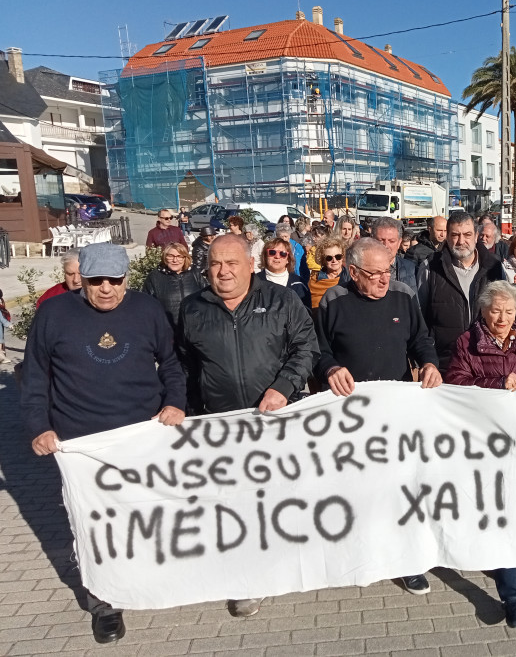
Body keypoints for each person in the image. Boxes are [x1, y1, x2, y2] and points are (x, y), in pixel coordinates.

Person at [21, 243, 186, 644]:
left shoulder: (147, 310)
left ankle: (149, 581)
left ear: (127, 279)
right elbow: (35, 376)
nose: (107, 289)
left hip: (141, 436)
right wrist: (38, 427)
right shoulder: (53, 313)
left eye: (116, 280)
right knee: (93, 525)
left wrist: (175, 403)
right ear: (82, 280)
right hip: (83, 443)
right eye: (97, 281)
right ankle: (104, 603)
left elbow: (170, 364)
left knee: (145, 514)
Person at [179, 234, 319, 617]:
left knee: (277, 496)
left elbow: (306, 347)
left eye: (231, 263)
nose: (222, 272)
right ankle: (248, 579)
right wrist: (187, 413)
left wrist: (283, 386)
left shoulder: (281, 301)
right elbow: (184, 365)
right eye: (214, 264)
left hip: (275, 420)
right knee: (237, 503)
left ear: (251, 264)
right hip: (222, 426)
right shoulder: (193, 308)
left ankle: (288, 561)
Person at [314, 238, 440, 597]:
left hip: (396, 413)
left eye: (388, 270)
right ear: (353, 273)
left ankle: (407, 561)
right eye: (375, 273)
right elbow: (316, 349)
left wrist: (430, 362)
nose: (384, 279)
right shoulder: (333, 301)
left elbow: (420, 338)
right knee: (358, 489)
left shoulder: (403, 295)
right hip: (350, 416)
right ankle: (358, 555)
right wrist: (330, 367)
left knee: (401, 487)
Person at [445, 281, 516, 628]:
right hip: (484, 451)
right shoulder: (467, 345)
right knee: (502, 521)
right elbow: (455, 386)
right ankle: (514, 597)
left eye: (509, 311)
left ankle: (502, 567)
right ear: (482, 310)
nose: (502, 317)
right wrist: (495, 384)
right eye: (495, 310)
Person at [418, 211, 506, 370]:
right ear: (447, 236)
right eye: (455, 235)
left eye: (467, 234)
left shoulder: (493, 266)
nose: (461, 241)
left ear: (476, 235)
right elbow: (421, 318)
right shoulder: (430, 267)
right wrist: (429, 359)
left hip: (487, 361)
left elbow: (505, 310)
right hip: (446, 362)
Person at [142, 242, 207, 329]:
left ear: (185, 258)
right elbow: (146, 306)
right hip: (168, 331)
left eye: (179, 256)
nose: (175, 260)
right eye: (171, 256)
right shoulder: (155, 277)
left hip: (195, 330)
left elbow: (207, 297)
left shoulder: (194, 274)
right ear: (165, 257)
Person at [256, 237, 311, 309]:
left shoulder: (299, 284)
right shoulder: (254, 282)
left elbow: (306, 315)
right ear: (265, 256)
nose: (277, 256)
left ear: (288, 259)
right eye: (272, 252)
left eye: (283, 254)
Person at [373, 216, 417, 293]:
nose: (386, 246)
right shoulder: (361, 268)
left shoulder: (410, 268)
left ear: (399, 242)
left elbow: (413, 301)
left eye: (392, 241)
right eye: (381, 240)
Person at [309, 235, 350, 311]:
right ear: (323, 260)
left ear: (343, 256)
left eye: (338, 256)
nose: (334, 260)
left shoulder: (351, 278)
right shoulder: (314, 280)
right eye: (329, 258)